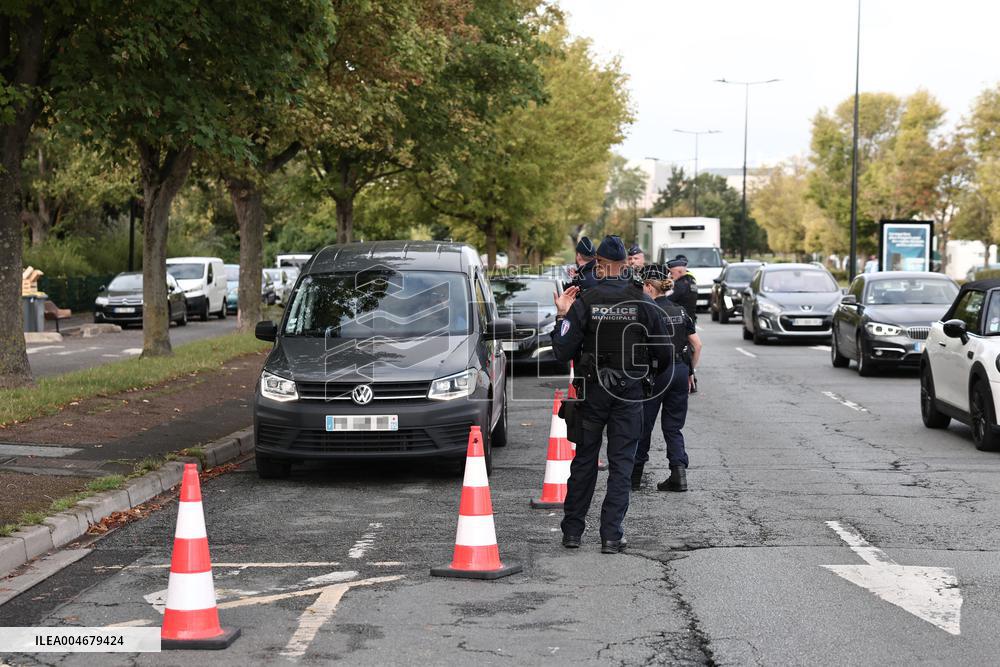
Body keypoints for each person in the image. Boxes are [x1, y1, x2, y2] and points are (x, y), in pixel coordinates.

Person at [551, 235, 671, 554]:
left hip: (592, 392)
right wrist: (645, 377)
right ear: (624, 266)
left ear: (601, 265)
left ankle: (573, 532)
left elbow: (562, 351)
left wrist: (563, 315)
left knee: (585, 460)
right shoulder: (643, 301)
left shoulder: (586, 301)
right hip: (629, 395)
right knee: (621, 465)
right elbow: (665, 352)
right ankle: (611, 535)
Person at [634, 268, 702, 492]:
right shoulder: (680, 310)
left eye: (644, 285)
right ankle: (678, 474)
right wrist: (690, 371)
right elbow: (697, 344)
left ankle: (634, 478)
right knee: (673, 427)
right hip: (681, 370)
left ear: (650, 287)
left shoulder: (647, 311)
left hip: (657, 372)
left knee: (644, 425)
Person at [665, 255, 698, 322]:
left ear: (679, 272)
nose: (670, 276)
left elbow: (666, 300)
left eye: (672, 273)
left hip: (681, 321)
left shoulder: (680, 285)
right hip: (690, 319)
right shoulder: (691, 280)